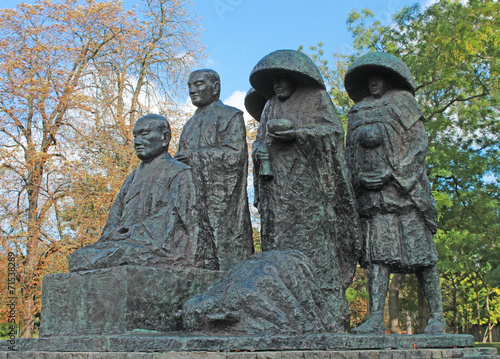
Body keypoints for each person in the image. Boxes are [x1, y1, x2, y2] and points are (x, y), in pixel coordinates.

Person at [249, 50, 361, 328]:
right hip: (277, 190)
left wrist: (297, 134)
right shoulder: (269, 107)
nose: (277, 85)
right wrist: (259, 150)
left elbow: (333, 134)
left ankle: (329, 312)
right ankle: (287, 310)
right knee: (279, 246)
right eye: (273, 80)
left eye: (283, 78)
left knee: (316, 248)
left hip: (309, 189)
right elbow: (258, 140)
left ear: (297, 78)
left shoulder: (316, 100)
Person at [344, 52, 446, 334]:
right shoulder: (358, 111)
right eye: (369, 78)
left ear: (390, 79)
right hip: (372, 198)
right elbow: (350, 152)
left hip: (404, 194)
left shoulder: (404, 103)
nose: (374, 82)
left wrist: (393, 173)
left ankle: (437, 315)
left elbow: (418, 144)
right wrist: (359, 178)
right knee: (377, 257)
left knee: (423, 256)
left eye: (379, 77)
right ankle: (376, 318)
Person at [69, 114, 216, 272]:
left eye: (144, 134)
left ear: (164, 138)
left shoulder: (179, 172)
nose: (137, 142)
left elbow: (182, 221)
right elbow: (114, 218)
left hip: (159, 246)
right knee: (79, 257)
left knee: (128, 254)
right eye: (135, 136)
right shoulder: (131, 179)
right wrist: (113, 232)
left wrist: (134, 231)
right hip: (124, 242)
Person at [175, 69, 253, 271]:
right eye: (190, 86)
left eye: (199, 84)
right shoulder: (188, 126)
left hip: (221, 200)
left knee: (224, 252)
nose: (192, 90)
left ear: (216, 87)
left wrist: (194, 156)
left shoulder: (230, 116)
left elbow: (235, 156)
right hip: (193, 199)